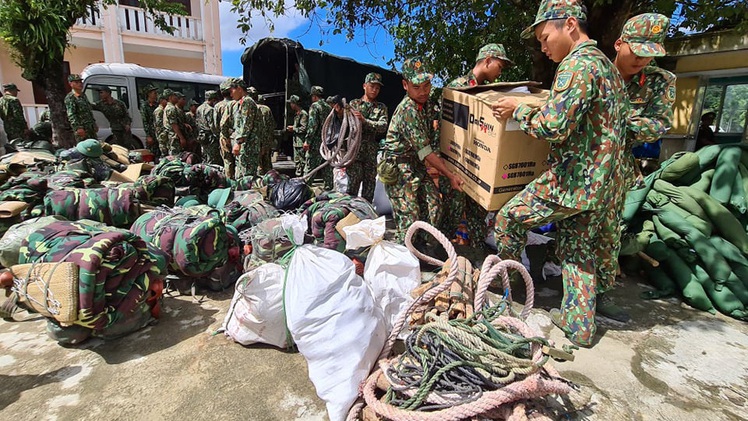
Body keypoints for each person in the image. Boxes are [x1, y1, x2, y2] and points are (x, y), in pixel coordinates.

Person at [491, 0, 628, 347]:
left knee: (508, 219)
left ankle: (507, 292)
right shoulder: (606, 68)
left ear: (569, 24)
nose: (543, 46)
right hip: (606, 183)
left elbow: (554, 126)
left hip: (576, 179)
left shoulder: (576, 65)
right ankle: (579, 325)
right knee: (577, 247)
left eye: (544, 36)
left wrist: (519, 109)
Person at [599, 12, 677, 322]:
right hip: (578, 167)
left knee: (608, 234)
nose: (643, 60)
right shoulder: (594, 73)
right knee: (571, 229)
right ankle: (557, 279)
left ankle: (602, 294)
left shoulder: (660, 82)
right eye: (638, 51)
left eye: (650, 54)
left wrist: (618, 123)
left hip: (617, 169)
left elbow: (659, 125)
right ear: (619, 44)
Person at [382, 57, 464, 242]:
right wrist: (450, 175)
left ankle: (425, 249)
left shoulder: (426, 105)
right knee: (409, 217)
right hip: (399, 168)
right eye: (416, 87)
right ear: (405, 85)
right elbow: (425, 151)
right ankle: (406, 256)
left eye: (426, 85)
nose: (423, 92)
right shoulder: (407, 110)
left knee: (434, 206)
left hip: (416, 164)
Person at [441, 43, 514, 246]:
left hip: (479, 167)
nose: (500, 73)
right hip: (456, 165)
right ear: (488, 60)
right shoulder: (459, 87)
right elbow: (448, 127)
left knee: (478, 213)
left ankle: (477, 253)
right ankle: (443, 256)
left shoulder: (490, 92)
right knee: (452, 213)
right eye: (499, 66)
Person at [348, 73, 389, 202]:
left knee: (369, 185)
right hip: (355, 150)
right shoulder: (354, 104)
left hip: (371, 151)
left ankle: (365, 214)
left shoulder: (381, 108)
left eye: (377, 88)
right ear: (364, 86)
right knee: (353, 183)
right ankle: (348, 212)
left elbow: (383, 126)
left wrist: (365, 121)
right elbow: (347, 123)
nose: (374, 90)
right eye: (372, 86)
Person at [229, 78, 260, 178]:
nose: (231, 95)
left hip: (248, 146)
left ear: (239, 89)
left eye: (231, 91)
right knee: (242, 175)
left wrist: (238, 142)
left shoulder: (247, 102)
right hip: (245, 146)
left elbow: (246, 124)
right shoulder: (242, 102)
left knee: (247, 177)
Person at [305, 85, 333, 190]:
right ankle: (329, 191)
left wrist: (307, 141)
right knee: (327, 167)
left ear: (314, 96)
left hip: (316, 142)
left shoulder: (315, 106)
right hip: (327, 142)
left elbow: (312, 125)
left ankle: (304, 191)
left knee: (310, 167)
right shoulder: (329, 107)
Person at [64, 74, 97, 144]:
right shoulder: (70, 97)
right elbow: (71, 114)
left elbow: (88, 111)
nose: (80, 84)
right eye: (76, 82)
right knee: (84, 149)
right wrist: (78, 128)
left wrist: (94, 123)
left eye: (80, 82)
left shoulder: (83, 95)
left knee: (94, 146)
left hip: (90, 128)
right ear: (71, 84)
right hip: (82, 129)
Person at [215, 80, 236, 177]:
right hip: (236, 136)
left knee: (227, 161)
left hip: (224, 136)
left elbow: (215, 124)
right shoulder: (237, 103)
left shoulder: (218, 106)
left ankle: (229, 180)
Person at [196, 90, 221, 165]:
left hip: (201, 136)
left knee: (204, 157)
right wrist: (218, 136)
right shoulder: (210, 110)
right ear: (213, 99)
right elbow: (212, 126)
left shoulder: (199, 108)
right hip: (210, 138)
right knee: (212, 159)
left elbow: (197, 122)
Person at [286, 95, 308, 177]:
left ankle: (303, 177)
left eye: (291, 103)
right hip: (296, 142)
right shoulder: (297, 114)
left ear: (295, 103)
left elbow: (304, 128)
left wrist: (293, 129)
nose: (290, 105)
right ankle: (298, 176)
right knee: (297, 161)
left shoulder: (303, 114)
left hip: (301, 142)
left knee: (302, 161)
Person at [163, 90, 189, 155]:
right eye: (175, 96)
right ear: (170, 97)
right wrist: (181, 138)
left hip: (172, 136)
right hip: (174, 137)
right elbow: (174, 124)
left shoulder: (170, 107)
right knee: (176, 157)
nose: (176, 98)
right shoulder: (171, 108)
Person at [256, 94, 276, 175]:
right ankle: (270, 178)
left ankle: (260, 180)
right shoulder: (267, 109)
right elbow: (272, 125)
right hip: (267, 140)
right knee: (267, 162)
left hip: (256, 140)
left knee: (258, 162)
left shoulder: (253, 107)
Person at [140, 85, 160, 158]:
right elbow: (145, 121)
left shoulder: (157, 105)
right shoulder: (144, 106)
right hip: (151, 133)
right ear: (149, 94)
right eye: (154, 93)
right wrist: (148, 135)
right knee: (151, 153)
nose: (156, 94)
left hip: (158, 132)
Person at [154, 89, 170, 157]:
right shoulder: (159, 110)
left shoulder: (163, 109)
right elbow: (158, 123)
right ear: (161, 101)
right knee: (164, 151)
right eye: (165, 100)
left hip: (163, 134)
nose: (166, 102)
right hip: (161, 134)